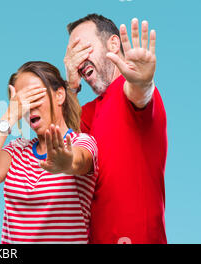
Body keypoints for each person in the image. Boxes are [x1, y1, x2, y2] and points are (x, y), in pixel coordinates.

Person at [63, 14, 167, 244]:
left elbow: (140, 94)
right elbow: (66, 149)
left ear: (113, 44)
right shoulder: (90, 111)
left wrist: (143, 81)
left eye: (84, 48)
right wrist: (71, 84)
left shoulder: (129, 91)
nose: (77, 61)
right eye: (72, 55)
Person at [0, 61, 98, 244]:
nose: (28, 107)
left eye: (34, 96)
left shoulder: (82, 142)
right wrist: (10, 115)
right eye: (22, 102)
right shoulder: (17, 150)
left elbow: (80, 160)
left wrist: (66, 162)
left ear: (60, 95)